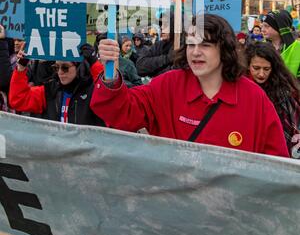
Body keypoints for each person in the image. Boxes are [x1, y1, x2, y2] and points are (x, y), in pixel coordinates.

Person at [90, 14, 289, 157]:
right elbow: (122, 113)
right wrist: (111, 76)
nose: (195, 52)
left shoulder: (253, 97)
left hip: (232, 212)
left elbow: (275, 165)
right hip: (175, 208)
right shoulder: (168, 85)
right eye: (191, 45)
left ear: (225, 50)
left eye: (205, 45)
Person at [9, 43, 105, 126]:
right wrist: (21, 68)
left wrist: (94, 63)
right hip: (56, 146)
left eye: (65, 67)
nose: (60, 72)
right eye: (56, 67)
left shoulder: (92, 90)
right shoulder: (51, 90)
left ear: (79, 67)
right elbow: (18, 100)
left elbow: (108, 97)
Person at [244, 42, 300, 156]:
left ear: (273, 68)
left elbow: (290, 127)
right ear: (247, 65)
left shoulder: (283, 92)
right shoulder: (239, 88)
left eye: (266, 69)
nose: (261, 74)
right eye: (256, 68)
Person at [261, 10, 300, 79]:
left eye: (266, 26)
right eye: (262, 26)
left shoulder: (297, 47)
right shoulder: (260, 46)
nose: (262, 29)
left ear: (280, 27)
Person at [136, 11, 175, 78]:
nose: (162, 27)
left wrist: (153, 70)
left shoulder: (182, 47)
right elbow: (140, 67)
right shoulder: (158, 45)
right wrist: (166, 59)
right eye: (161, 24)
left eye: (166, 24)